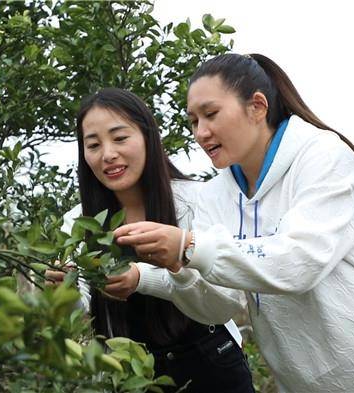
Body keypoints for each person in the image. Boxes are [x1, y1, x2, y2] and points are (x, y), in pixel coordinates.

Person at [114, 53, 354, 392]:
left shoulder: (322, 157)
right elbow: (221, 304)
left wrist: (189, 246)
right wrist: (164, 269)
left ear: (257, 107)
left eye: (211, 114)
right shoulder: (217, 195)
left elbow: (298, 261)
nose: (201, 133)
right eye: (193, 121)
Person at [47, 88, 254, 392]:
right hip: (128, 374)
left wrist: (149, 274)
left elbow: (224, 303)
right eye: (93, 144)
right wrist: (63, 296)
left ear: (147, 137)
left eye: (120, 138)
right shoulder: (79, 221)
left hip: (211, 363)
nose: (108, 154)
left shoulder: (196, 200)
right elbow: (80, 318)